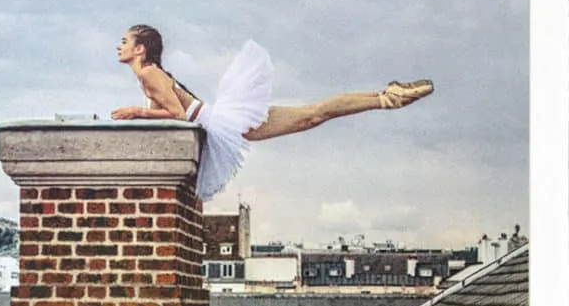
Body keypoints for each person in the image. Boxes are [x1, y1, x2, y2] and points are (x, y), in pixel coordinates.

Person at [111, 24, 433, 201]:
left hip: (223, 123)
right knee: (312, 115)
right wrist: (142, 114)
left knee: (313, 115)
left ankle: (388, 97)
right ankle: (387, 96)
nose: (119, 46)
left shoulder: (148, 73)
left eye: (124, 41)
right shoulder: (149, 74)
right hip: (221, 121)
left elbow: (179, 117)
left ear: (140, 48)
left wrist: (135, 112)